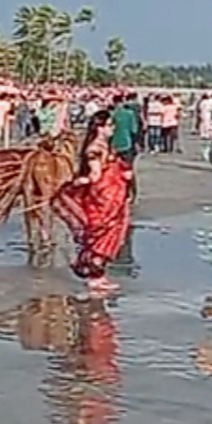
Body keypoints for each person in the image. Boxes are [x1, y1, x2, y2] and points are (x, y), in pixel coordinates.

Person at [53, 110, 133, 296]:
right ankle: (94, 277)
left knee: (104, 236)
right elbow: (95, 175)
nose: (113, 128)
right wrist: (79, 183)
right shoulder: (95, 148)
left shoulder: (103, 145)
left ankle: (96, 274)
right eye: (110, 125)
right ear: (100, 127)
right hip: (104, 197)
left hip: (112, 194)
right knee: (101, 235)